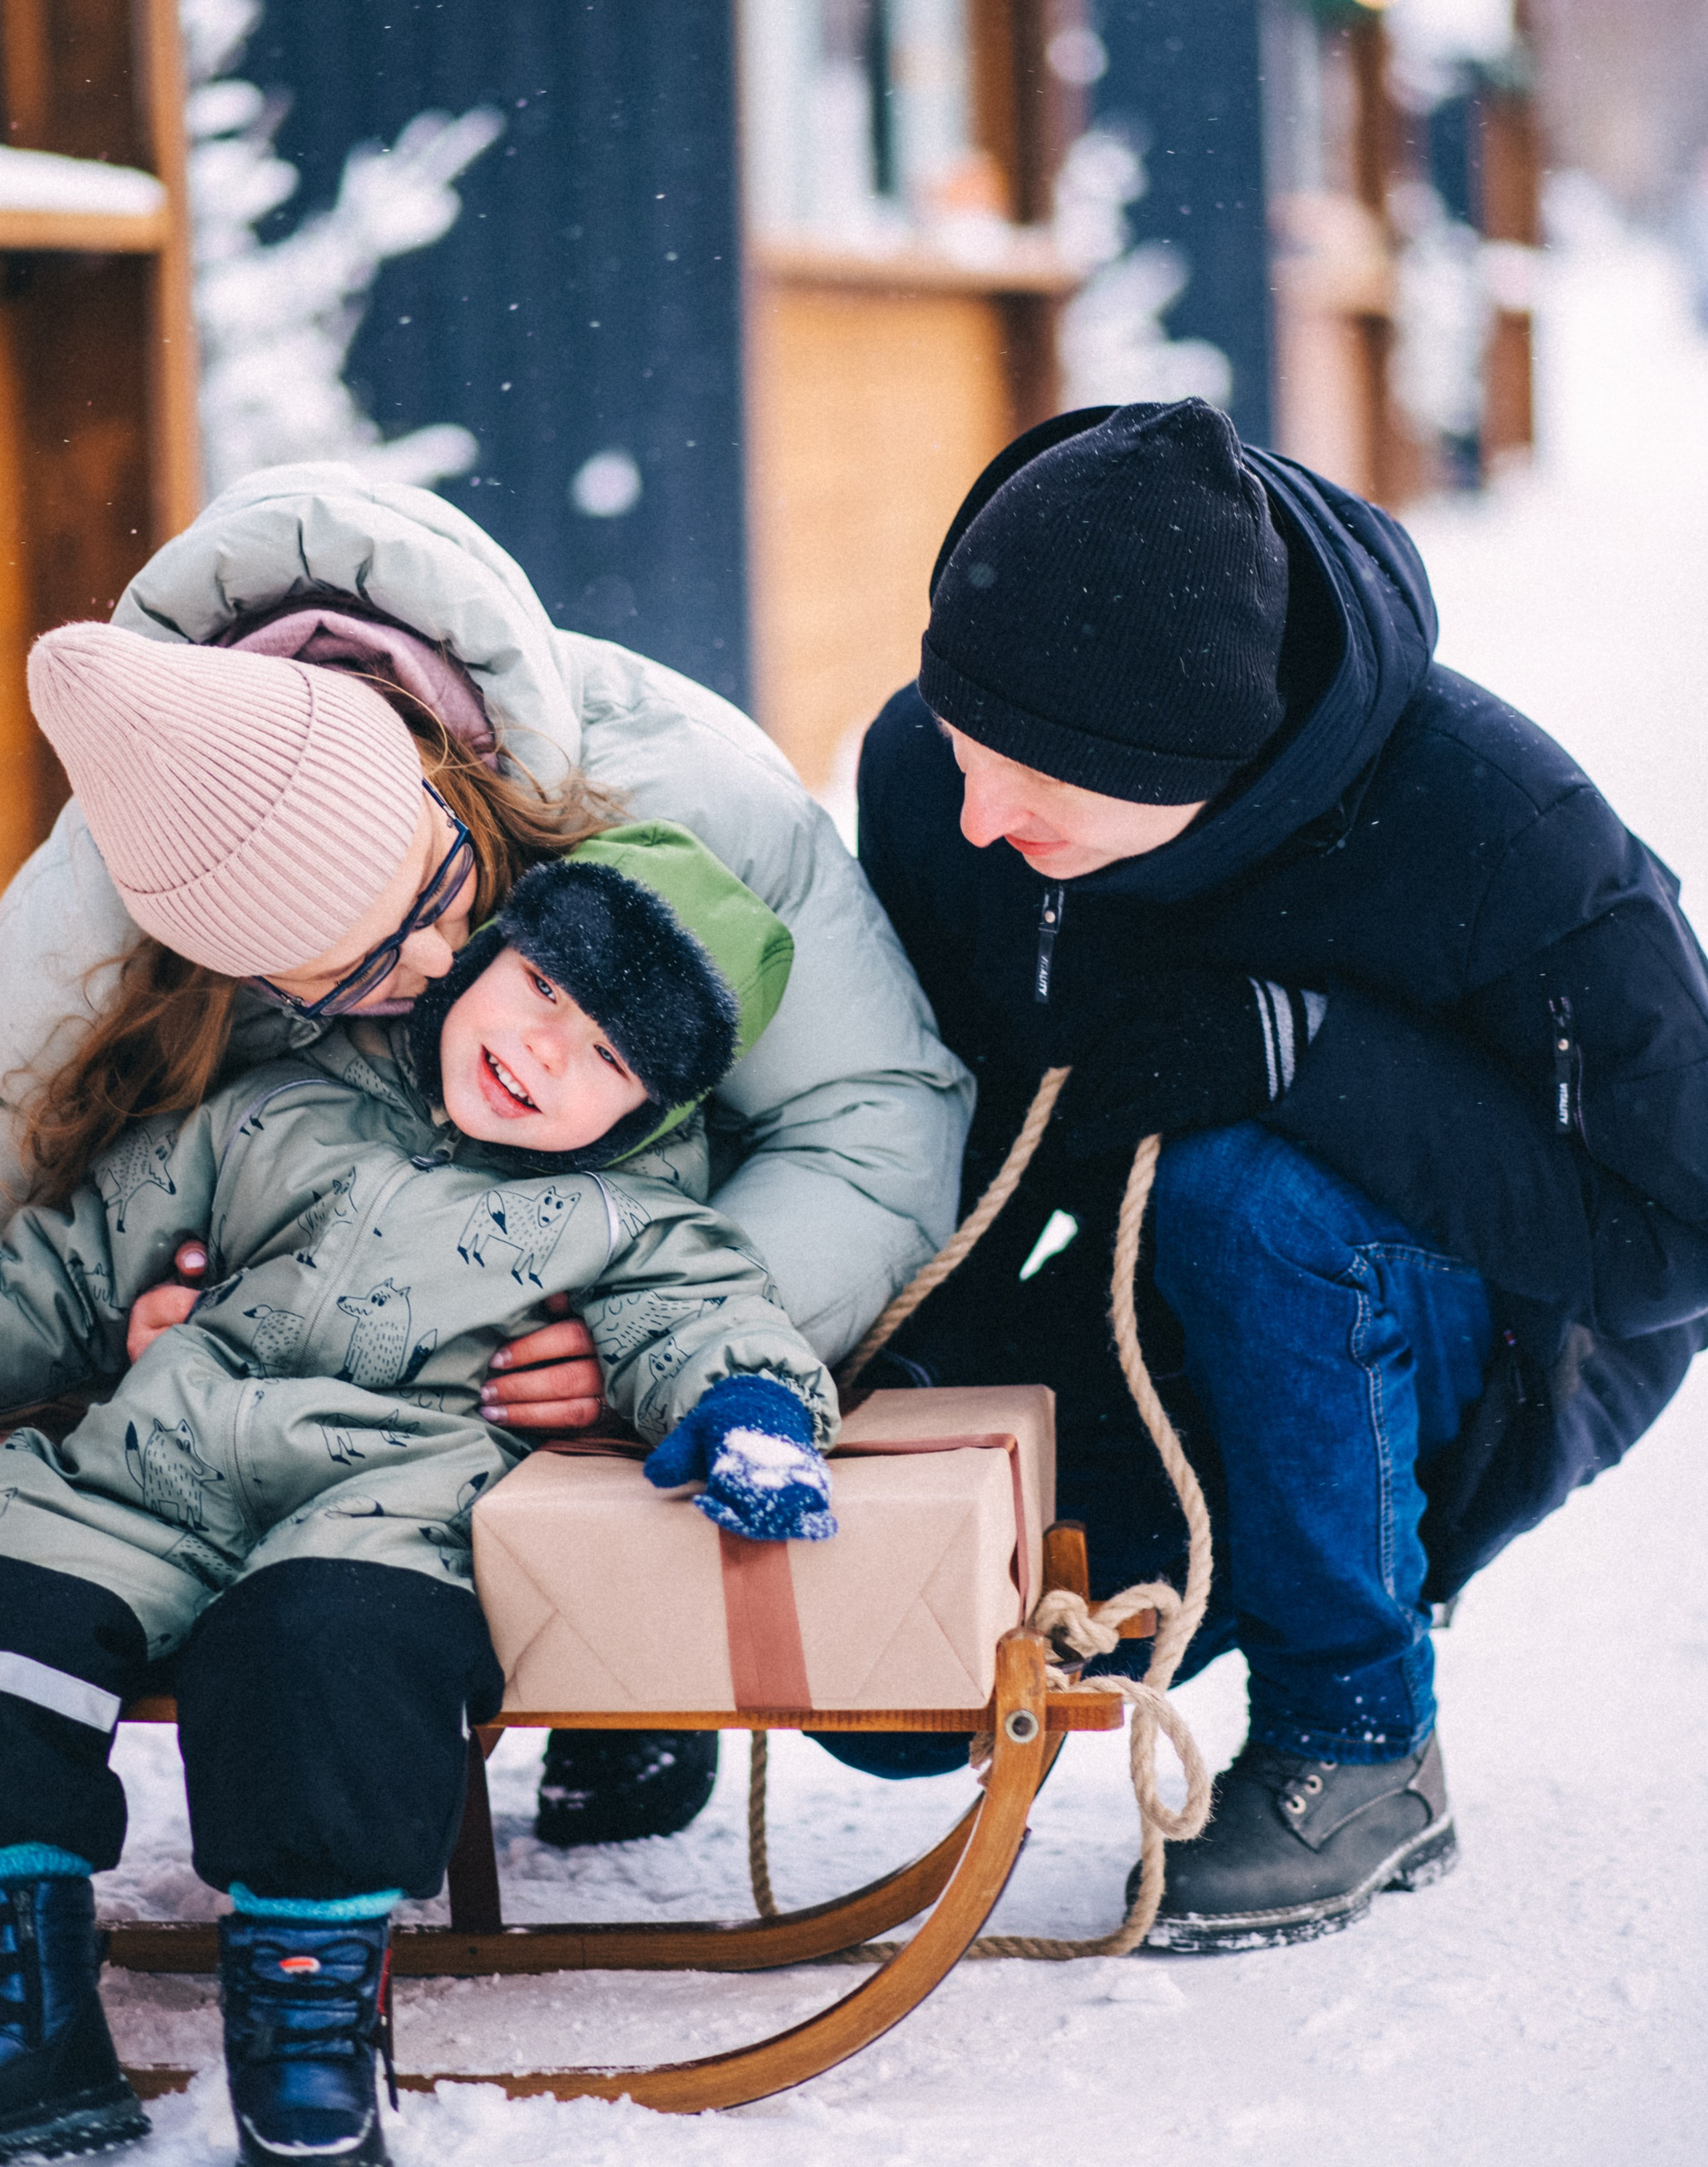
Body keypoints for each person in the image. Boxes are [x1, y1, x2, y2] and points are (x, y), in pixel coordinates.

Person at [0, 466, 970, 1863]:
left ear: (444, 785)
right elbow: (43, 1206)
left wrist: (632, 1346)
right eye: (356, 973)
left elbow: (867, 1121)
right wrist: (117, 1336)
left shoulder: (684, 794)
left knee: (407, 1570)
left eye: (440, 903)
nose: (437, 969)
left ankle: (620, 1673)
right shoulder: (118, 895)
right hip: (263, 1334)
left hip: (596, 1270)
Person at [849, 396, 1708, 1951]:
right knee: (899, 1692)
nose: (974, 816)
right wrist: (885, 1375)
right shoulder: (938, 786)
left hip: (1485, 1336)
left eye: (1032, 781)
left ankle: (1358, 1737)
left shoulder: (1502, 831)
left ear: (1205, 764)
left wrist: (1315, 1056)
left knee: (1245, 1188)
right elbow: (926, 1119)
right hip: (1130, 1314)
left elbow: (1672, 1245)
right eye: (960, 748)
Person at [1, 622, 844, 2164]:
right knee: (8, 1617)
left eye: (597, 1058)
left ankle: (307, 2009)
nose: (538, 1051)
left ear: (646, 1110)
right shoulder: (271, 1107)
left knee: (327, 1663)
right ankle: (24, 2006)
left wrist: (748, 1414)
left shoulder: (627, 1220)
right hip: (146, 1466)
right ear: (483, 954)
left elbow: (705, 1316)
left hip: (377, 1504)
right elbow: (68, 1265)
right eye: (538, 992)